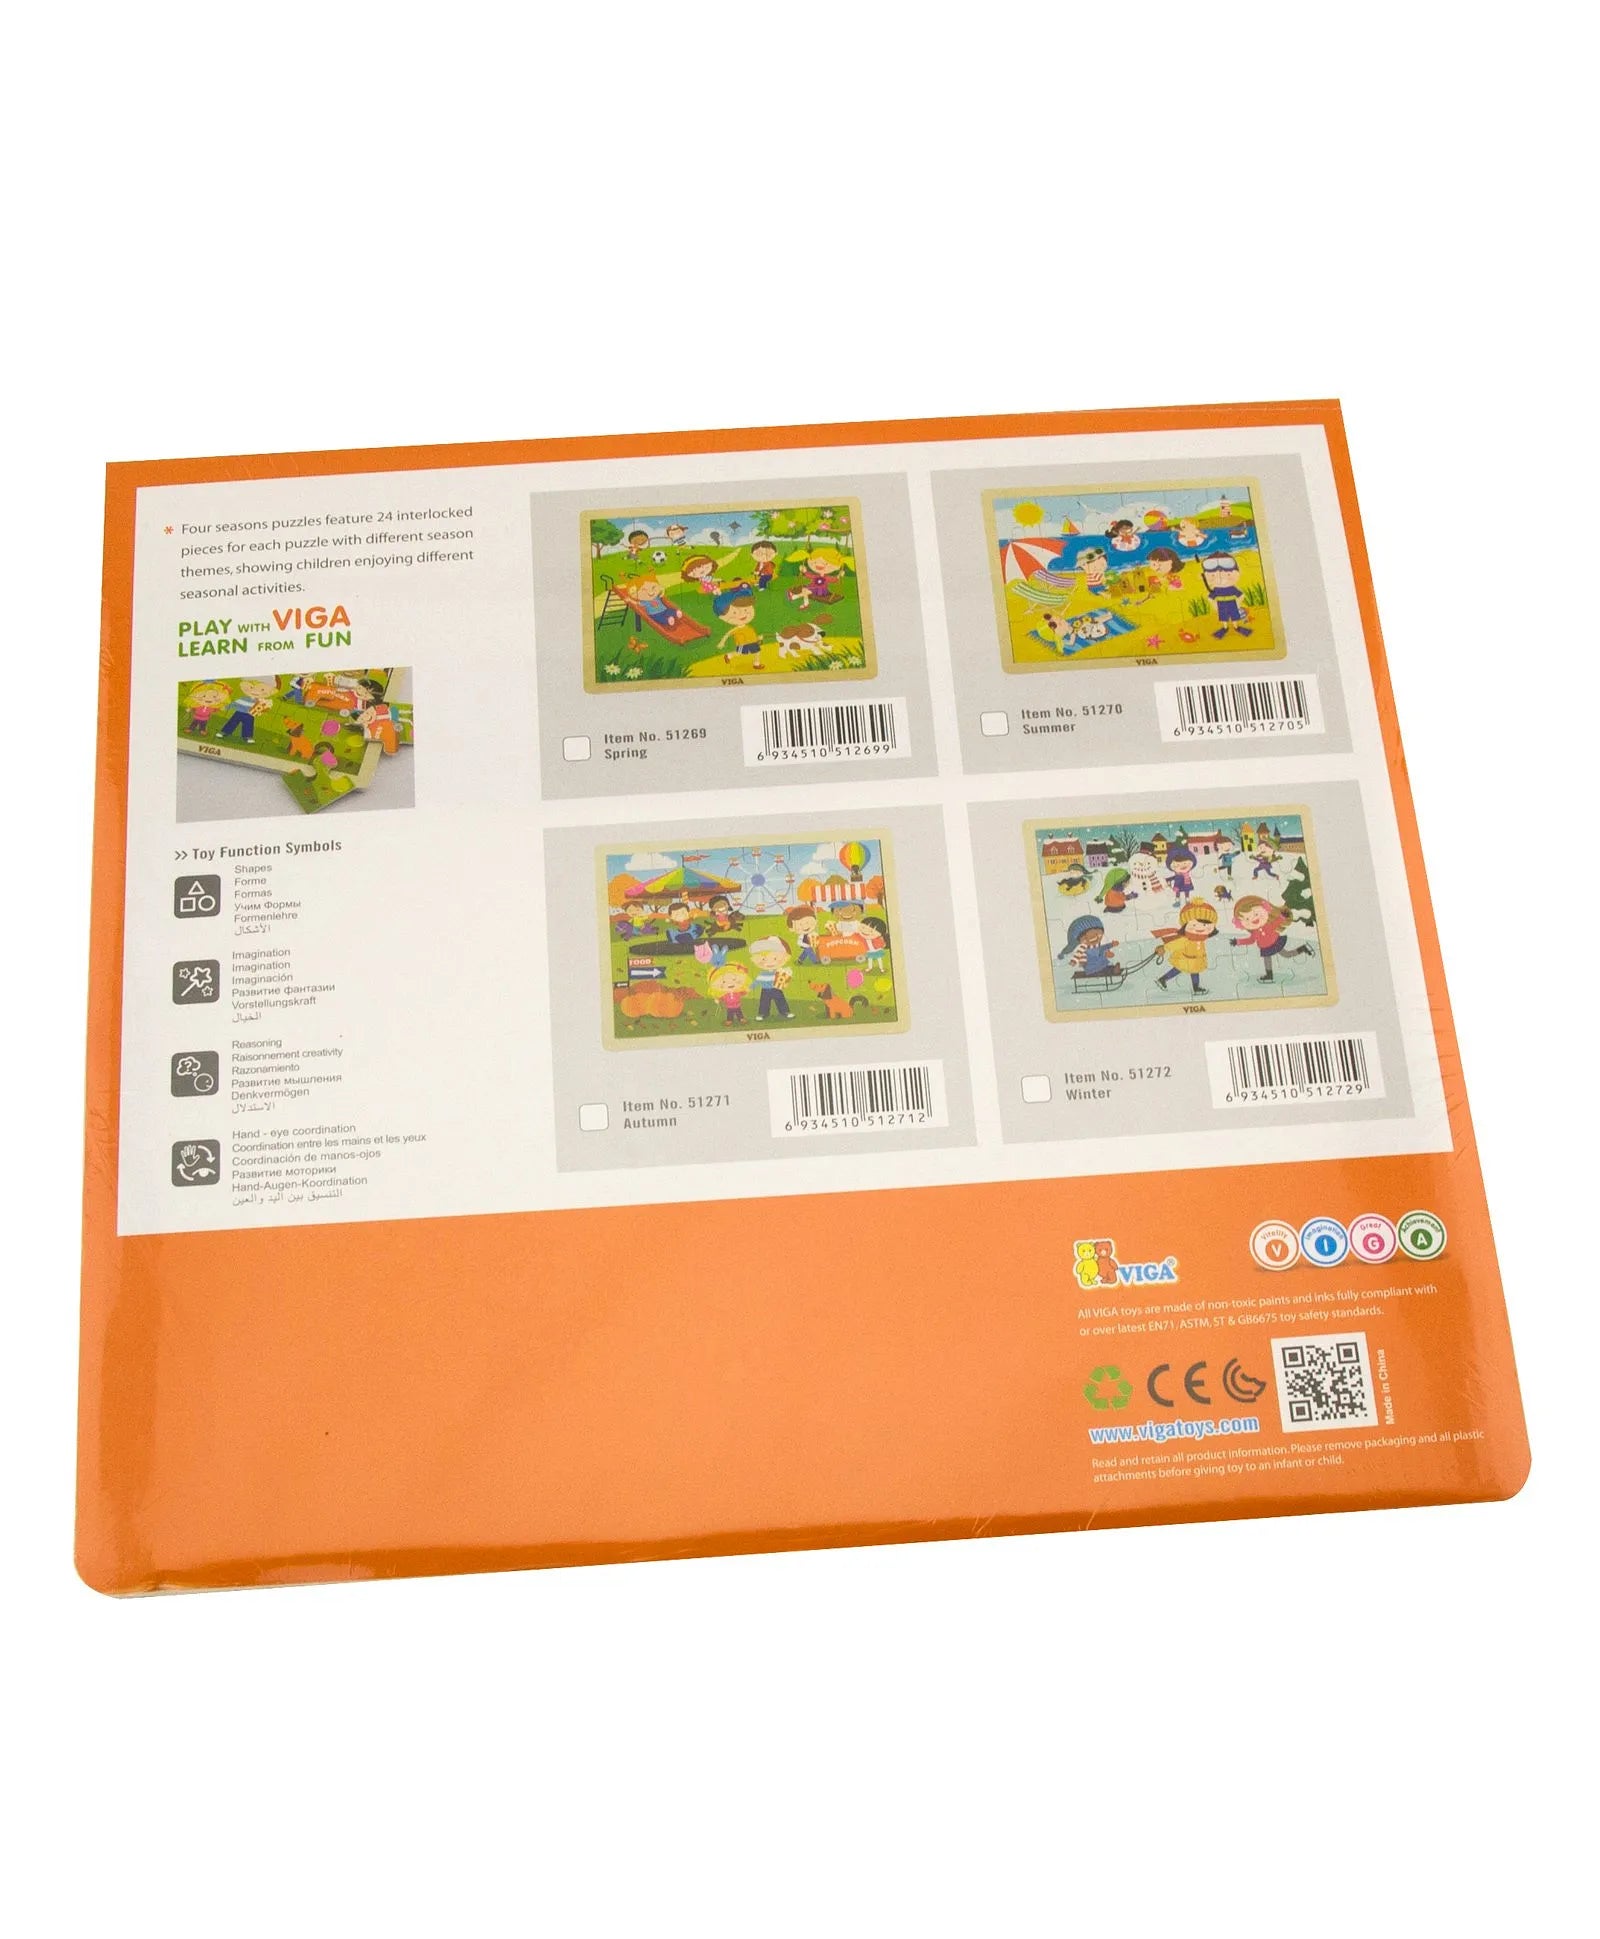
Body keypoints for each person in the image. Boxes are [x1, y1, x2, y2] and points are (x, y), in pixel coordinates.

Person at [1230, 896, 1316, 982]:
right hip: (1265, 947)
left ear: (1265, 909)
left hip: (1275, 942)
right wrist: (1238, 942)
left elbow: (1276, 922)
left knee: (1287, 954)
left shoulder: (1268, 925)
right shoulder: (1254, 933)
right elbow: (1250, 940)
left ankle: (1303, 948)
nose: (1253, 919)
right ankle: (1269, 975)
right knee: (1267, 960)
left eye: (1256, 914)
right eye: (1247, 919)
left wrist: (1282, 916)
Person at [1153, 899, 1219, 996]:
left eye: (1205, 925)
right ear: (1185, 926)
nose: (1200, 927)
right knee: (1180, 970)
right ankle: (1164, 980)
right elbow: (1175, 944)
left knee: (1192, 971)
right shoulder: (1186, 939)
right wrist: (1164, 948)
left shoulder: (1201, 939)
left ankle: (1164, 980)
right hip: (1185, 959)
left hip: (1196, 960)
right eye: (1194, 924)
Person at [1201, 553, 1254, 638]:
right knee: (1223, 617)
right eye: (1213, 575)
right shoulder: (1216, 589)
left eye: (1228, 574)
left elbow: (1241, 595)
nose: (1220, 578)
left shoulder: (1232, 588)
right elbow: (1210, 598)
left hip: (1232, 604)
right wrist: (1215, 605)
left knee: (1234, 616)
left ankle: (1236, 627)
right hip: (1221, 605)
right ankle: (1225, 628)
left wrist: (1237, 603)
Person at [748, 935, 793, 1020]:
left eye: (775, 958)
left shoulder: (779, 971)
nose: (769, 962)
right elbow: (757, 981)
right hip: (765, 990)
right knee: (764, 1002)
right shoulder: (762, 974)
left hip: (776, 989)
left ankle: (785, 1012)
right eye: (763, 959)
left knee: (781, 1000)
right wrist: (750, 987)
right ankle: (763, 1013)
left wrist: (785, 981)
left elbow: (784, 980)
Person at [1060, 914, 1119, 978]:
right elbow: (1088, 956)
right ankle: (1113, 970)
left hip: (1101, 964)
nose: (1094, 937)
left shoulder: (1096, 946)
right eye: (1085, 937)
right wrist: (1105, 954)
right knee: (1103, 970)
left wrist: (1111, 944)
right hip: (1092, 968)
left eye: (1098, 934)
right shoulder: (1084, 949)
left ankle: (1113, 969)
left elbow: (1102, 948)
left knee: (1106, 967)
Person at [715, 589, 763, 662]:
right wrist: (722, 642)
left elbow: (751, 635)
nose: (742, 614)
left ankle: (756, 664)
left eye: (745, 610)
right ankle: (729, 656)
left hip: (752, 642)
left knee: (757, 652)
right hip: (743, 644)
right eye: (734, 612)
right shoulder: (737, 629)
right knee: (738, 653)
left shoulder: (748, 627)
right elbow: (727, 634)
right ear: (722, 617)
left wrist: (758, 638)